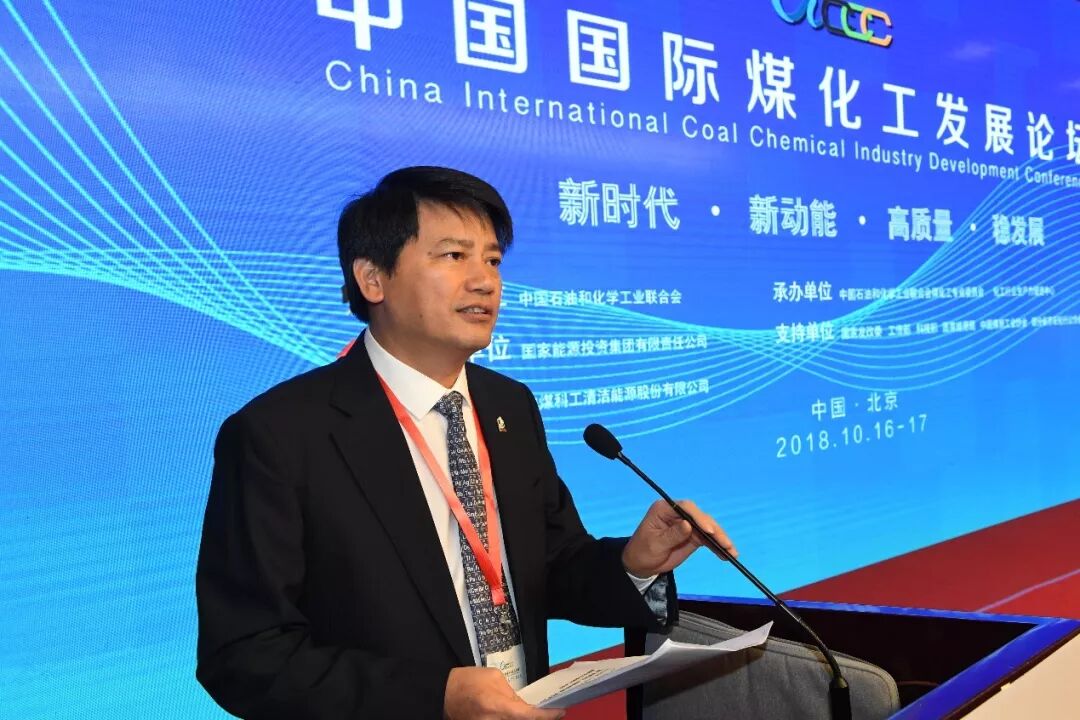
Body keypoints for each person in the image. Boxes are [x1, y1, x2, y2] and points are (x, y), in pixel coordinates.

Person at [195, 166, 736, 719]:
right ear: (372, 278)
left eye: (493, 260)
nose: (485, 282)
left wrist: (633, 564)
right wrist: (438, 697)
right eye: (454, 256)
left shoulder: (509, 406)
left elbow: (548, 567)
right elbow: (245, 654)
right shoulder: (280, 434)